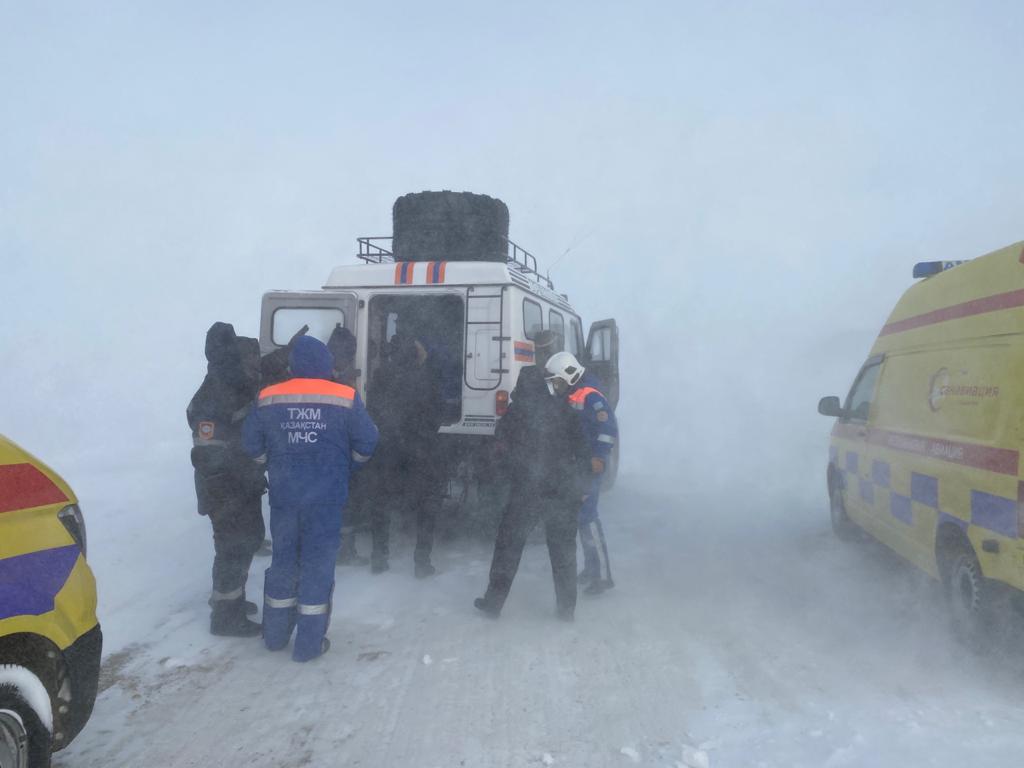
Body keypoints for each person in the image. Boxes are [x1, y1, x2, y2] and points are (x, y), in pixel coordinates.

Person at [242, 335, 378, 662]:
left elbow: (251, 446)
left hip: (285, 498)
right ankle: (308, 645)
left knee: (284, 563)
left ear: (293, 366)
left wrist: (272, 465)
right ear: (327, 364)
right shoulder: (346, 396)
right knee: (318, 566)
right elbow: (368, 442)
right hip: (326, 499)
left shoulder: (268, 396)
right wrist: (347, 466)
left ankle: (274, 636)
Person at [474, 342, 591, 621]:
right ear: (552, 381)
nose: (567, 388)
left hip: (528, 491)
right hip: (563, 492)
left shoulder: (519, 411)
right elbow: (583, 451)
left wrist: (505, 474)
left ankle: (493, 603)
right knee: (563, 552)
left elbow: (500, 447)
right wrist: (582, 486)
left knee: (508, 546)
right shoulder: (569, 411)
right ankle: (566, 611)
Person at [187, 322, 267, 637]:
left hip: (240, 485)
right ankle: (225, 615)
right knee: (232, 546)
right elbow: (209, 455)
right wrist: (238, 478)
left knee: (245, 540)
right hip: (225, 489)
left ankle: (232, 600)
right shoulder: (212, 394)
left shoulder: (230, 383)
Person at [367, 333, 445, 577]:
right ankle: (422, 562)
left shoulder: (381, 376)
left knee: (381, 502)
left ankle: (379, 556)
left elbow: (372, 410)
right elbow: (438, 414)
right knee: (427, 504)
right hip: (421, 448)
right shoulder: (427, 378)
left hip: (388, 447)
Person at [545, 351, 619, 595]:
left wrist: (600, 456)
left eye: (557, 381)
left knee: (588, 517)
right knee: (581, 518)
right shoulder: (573, 392)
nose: (555, 387)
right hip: (579, 465)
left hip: (590, 465)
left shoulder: (591, 396)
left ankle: (603, 575)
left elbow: (608, 428)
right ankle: (591, 568)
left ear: (569, 375)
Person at [327, 324, 369, 566]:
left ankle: (334, 547)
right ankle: (344, 550)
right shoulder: (339, 382)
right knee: (346, 501)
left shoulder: (318, 372)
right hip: (338, 452)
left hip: (318, 452)